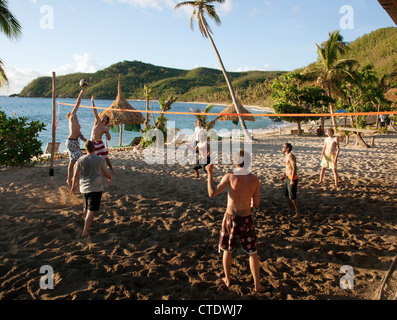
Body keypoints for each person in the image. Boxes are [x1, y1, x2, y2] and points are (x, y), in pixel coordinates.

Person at [207, 149, 267, 293]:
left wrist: (209, 174)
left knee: (228, 249)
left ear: (236, 162)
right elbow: (256, 204)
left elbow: (211, 193)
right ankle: (257, 285)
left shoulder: (230, 176)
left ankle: (228, 279)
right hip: (246, 218)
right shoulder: (255, 179)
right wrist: (251, 202)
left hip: (231, 218)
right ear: (248, 162)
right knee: (252, 252)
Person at [70, 140, 112, 238]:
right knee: (91, 210)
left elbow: (75, 175)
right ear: (94, 148)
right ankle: (85, 232)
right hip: (95, 187)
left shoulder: (81, 160)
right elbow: (106, 172)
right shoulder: (100, 159)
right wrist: (109, 179)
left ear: (85, 149)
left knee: (86, 207)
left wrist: (73, 186)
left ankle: (86, 223)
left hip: (84, 187)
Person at [66, 89, 87, 187]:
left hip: (75, 142)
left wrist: (84, 139)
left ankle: (70, 179)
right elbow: (77, 104)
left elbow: (79, 133)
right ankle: (73, 179)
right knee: (78, 159)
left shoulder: (77, 123)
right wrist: (81, 93)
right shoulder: (72, 117)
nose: (74, 113)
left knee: (73, 161)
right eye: (73, 113)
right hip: (71, 142)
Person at [90, 96, 115, 175]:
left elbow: (109, 139)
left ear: (106, 121)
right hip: (93, 143)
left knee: (107, 159)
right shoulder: (97, 121)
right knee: (94, 159)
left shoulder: (105, 128)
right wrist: (92, 102)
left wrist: (107, 132)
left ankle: (112, 170)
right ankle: (96, 172)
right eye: (102, 117)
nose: (102, 117)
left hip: (100, 143)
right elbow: (95, 111)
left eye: (104, 117)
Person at [280, 143, 301, 219]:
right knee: (286, 194)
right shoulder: (286, 155)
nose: (282, 148)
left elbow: (294, 168)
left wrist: (292, 179)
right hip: (287, 177)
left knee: (293, 196)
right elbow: (287, 167)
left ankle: (298, 213)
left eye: (283, 147)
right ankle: (290, 207)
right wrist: (284, 176)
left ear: (287, 148)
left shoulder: (291, 156)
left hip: (293, 178)